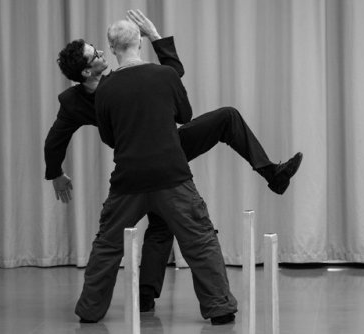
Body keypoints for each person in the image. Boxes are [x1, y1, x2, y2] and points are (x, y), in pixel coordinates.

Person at [45, 10, 302, 316]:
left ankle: (272, 173)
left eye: (102, 49)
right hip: (141, 158)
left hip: (167, 147)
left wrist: (156, 37)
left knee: (227, 117)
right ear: (86, 72)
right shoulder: (78, 100)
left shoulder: (122, 79)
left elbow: (170, 77)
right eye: (95, 54)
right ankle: (145, 296)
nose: (102, 52)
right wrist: (56, 174)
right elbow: (55, 140)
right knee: (163, 222)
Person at [76, 18, 239, 324]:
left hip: (128, 181)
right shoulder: (165, 75)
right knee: (199, 239)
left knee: (107, 246)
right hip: (171, 177)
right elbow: (186, 116)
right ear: (140, 42)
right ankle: (219, 308)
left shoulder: (105, 89)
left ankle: (89, 311)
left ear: (112, 48)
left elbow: (109, 137)